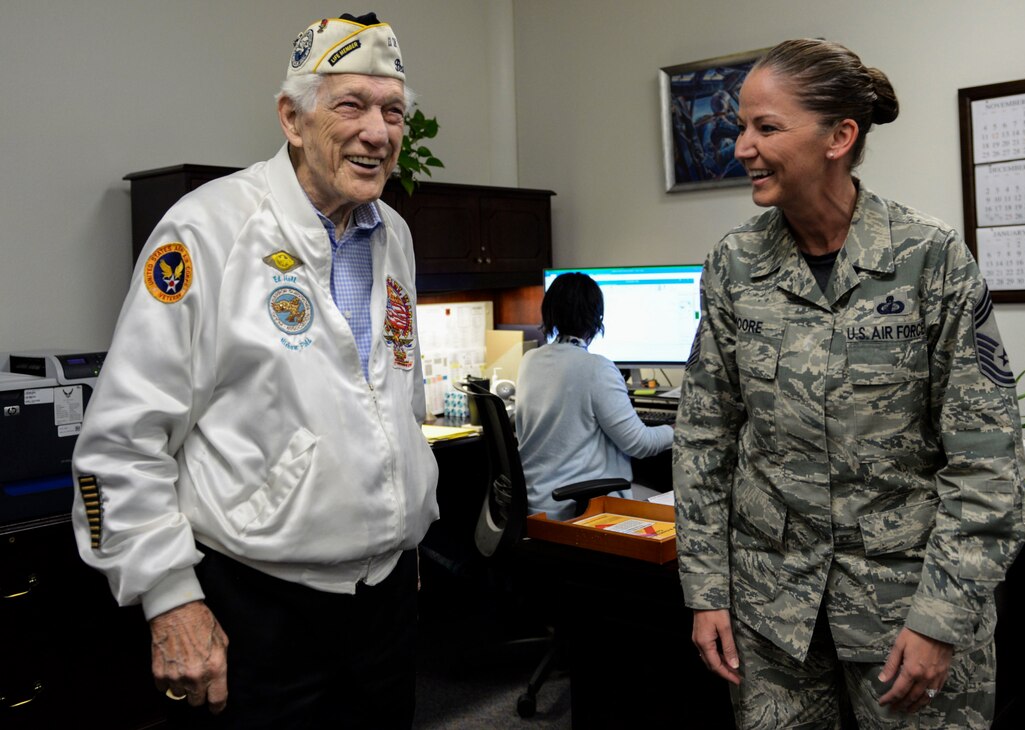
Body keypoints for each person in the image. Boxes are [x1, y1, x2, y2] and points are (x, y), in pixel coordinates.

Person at [70, 13, 438, 728]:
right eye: (350, 105)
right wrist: (170, 597)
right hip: (260, 609)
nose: (377, 132)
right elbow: (117, 444)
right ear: (292, 119)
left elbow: (393, 390)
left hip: (385, 603)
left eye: (392, 111)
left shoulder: (394, 234)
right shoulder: (206, 230)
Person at [673, 38, 1025, 729]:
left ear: (840, 136)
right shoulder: (734, 264)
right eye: (741, 126)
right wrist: (707, 591)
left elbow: (987, 461)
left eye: (765, 128)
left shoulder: (929, 259)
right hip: (771, 614)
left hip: (905, 612)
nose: (742, 146)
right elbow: (703, 437)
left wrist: (940, 617)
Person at [515, 272, 674, 520]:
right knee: (675, 503)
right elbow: (640, 444)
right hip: (580, 507)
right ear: (596, 317)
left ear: (549, 312)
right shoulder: (596, 368)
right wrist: (679, 428)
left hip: (536, 506)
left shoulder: (529, 360)